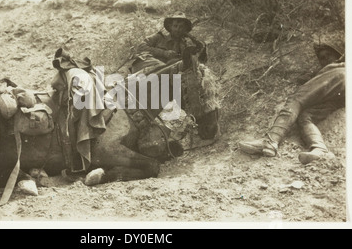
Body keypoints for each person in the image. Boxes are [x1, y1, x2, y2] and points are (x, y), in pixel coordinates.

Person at [239, 42, 345, 164]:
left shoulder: (336, 67)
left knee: (296, 99)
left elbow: (299, 98)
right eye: (321, 58)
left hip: (341, 75)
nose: (324, 59)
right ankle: (320, 149)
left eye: (328, 55)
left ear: (338, 56)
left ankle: (271, 140)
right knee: (306, 116)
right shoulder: (324, 72)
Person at [130, 11, 220, 141]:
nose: (178, 29)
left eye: (181, 27)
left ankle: (180, 127)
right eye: (175, 25)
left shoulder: (184, 44)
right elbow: (141, 47)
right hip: (148, 67)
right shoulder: (159, 37)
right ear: (170, 27)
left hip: (167, 75)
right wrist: (164, 53)